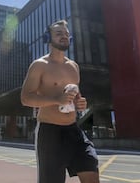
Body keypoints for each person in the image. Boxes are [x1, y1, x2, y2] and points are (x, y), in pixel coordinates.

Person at [21, 20, 100, 183]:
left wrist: (80, 104)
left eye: (66, 34)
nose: (64, 36)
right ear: (47, 38)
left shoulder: (73, 66)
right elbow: (26, 98)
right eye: (59, 34)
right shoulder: (39, 65)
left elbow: (77, 95)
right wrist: (56, 100)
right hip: (50, 132)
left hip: (73, 130)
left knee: (91, 169)